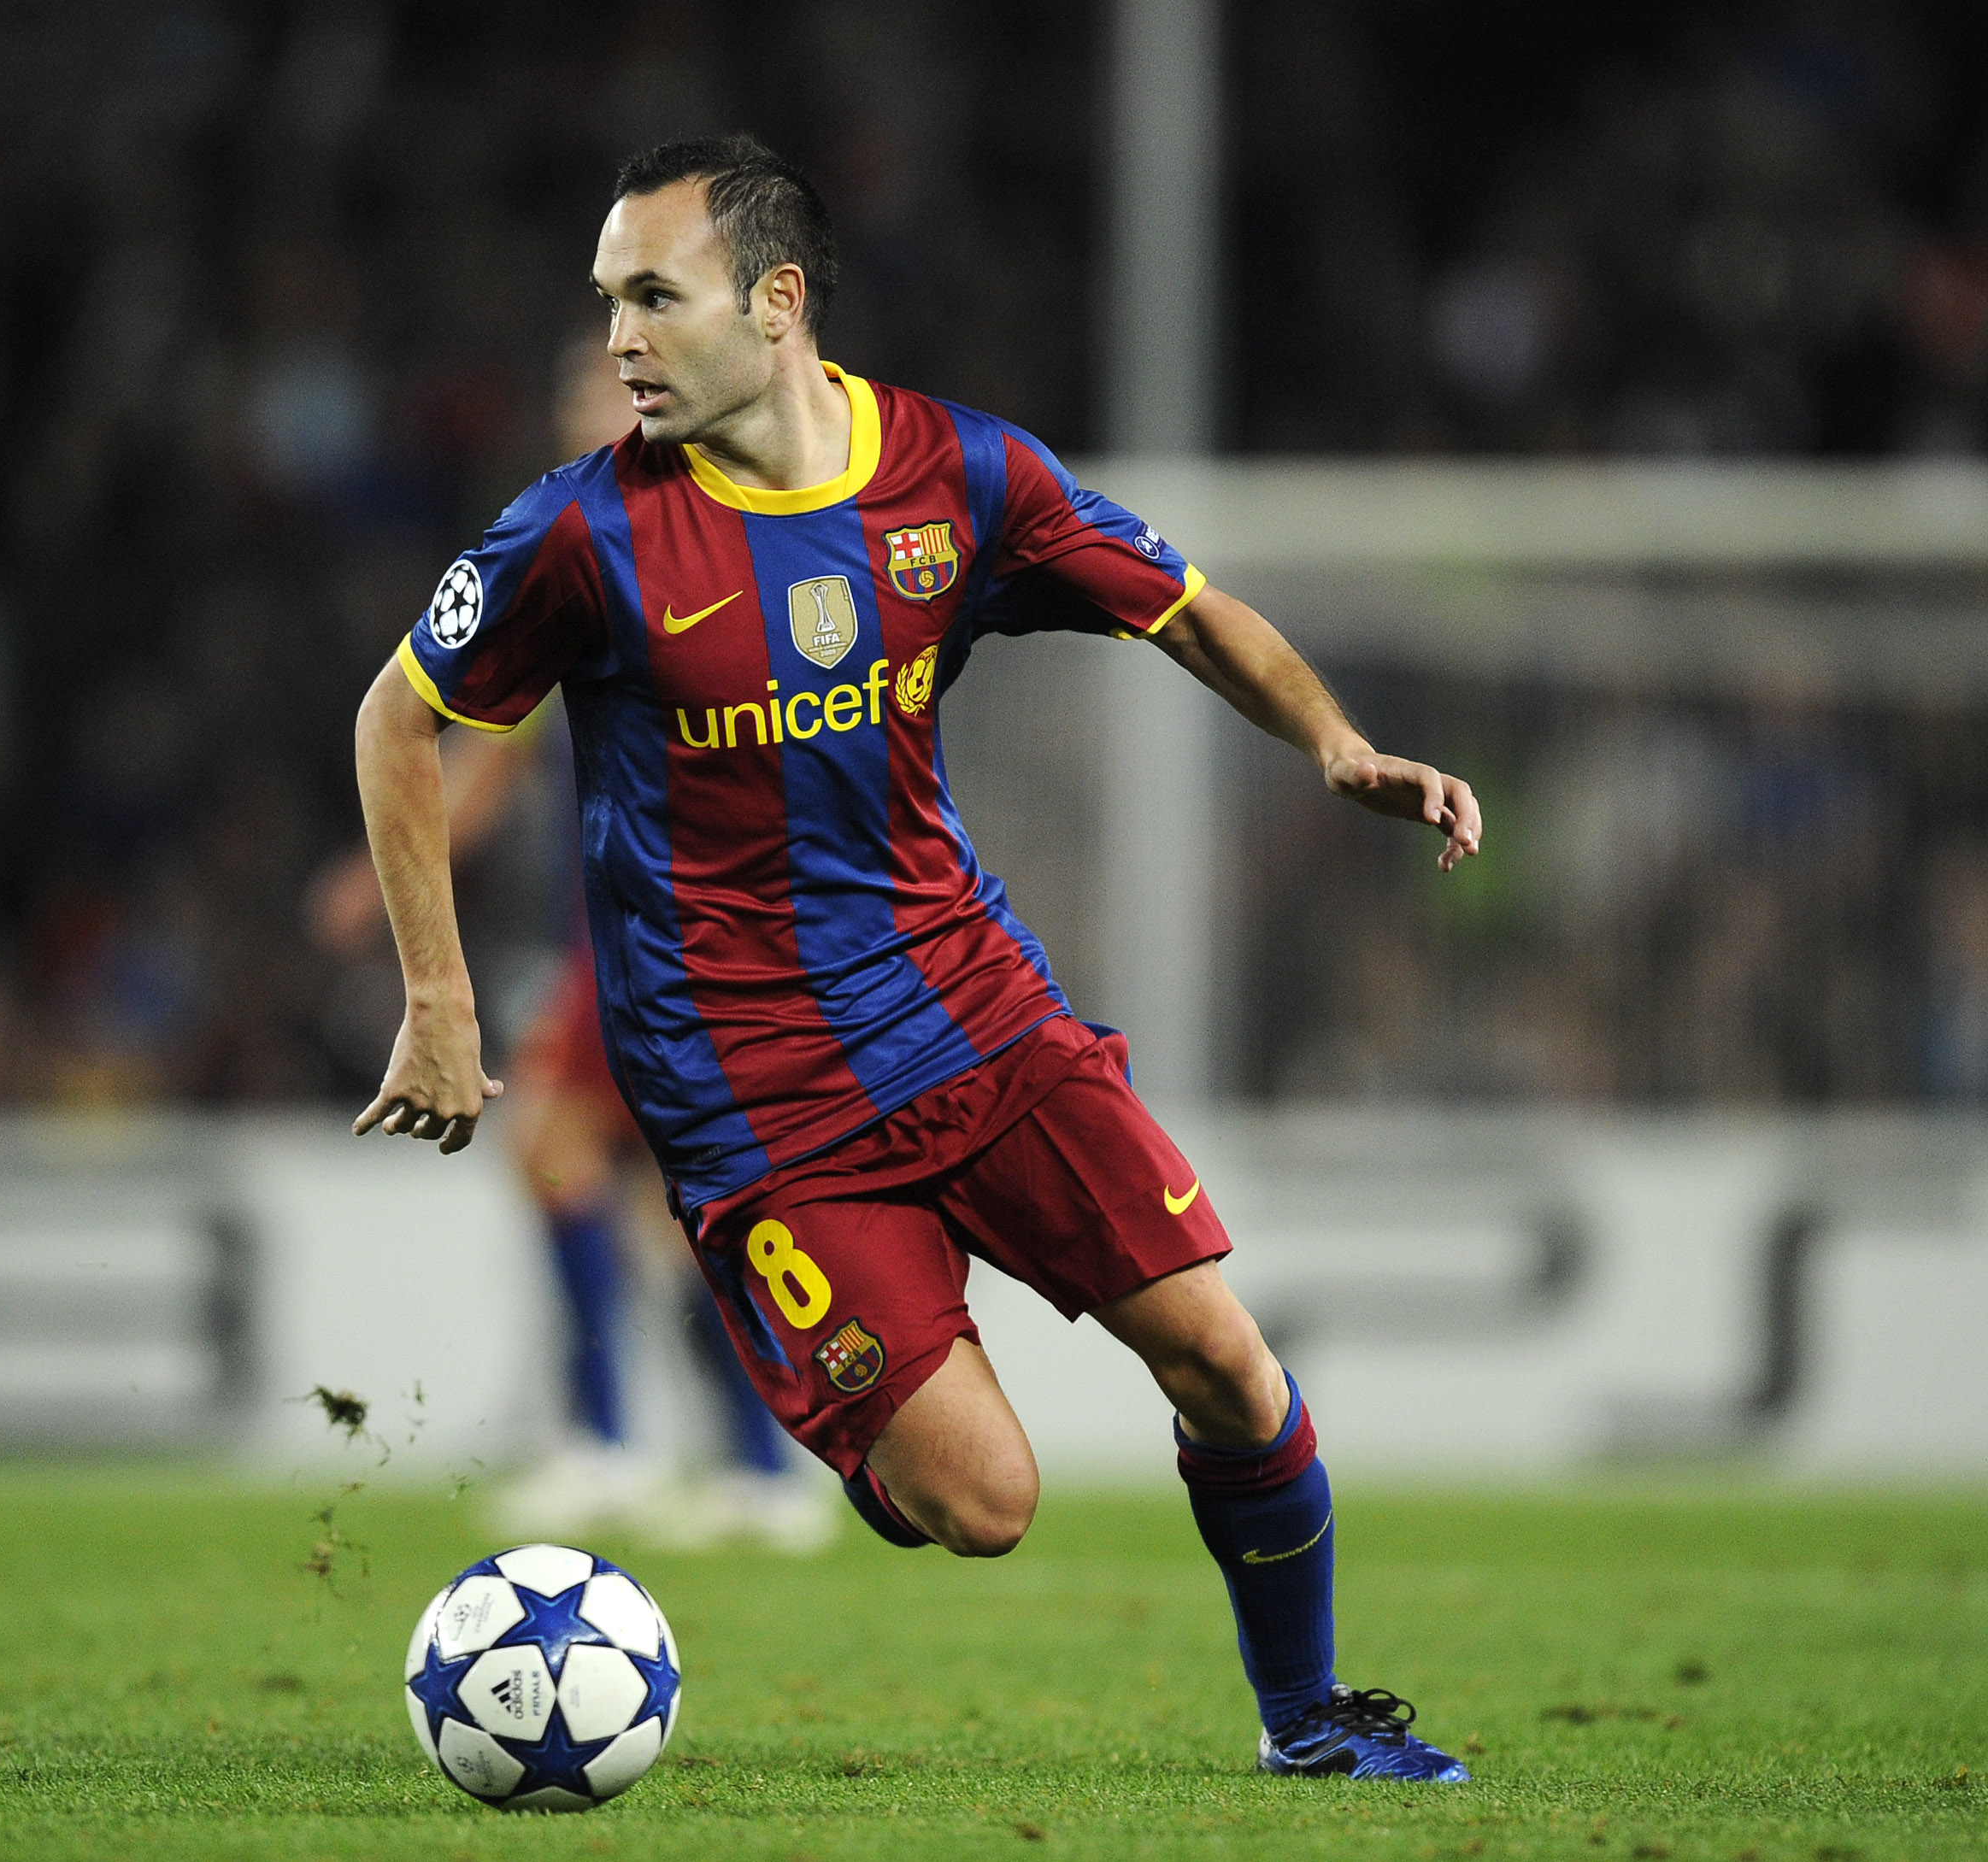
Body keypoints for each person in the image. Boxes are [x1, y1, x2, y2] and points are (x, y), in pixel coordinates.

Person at [350, 135, 1480, 1781]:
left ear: (777, 302)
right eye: (608, 302)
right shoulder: (579, 538)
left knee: (1228, 1366)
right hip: (755, 1090)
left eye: (654, 297)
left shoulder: (960, 477)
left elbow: (1186, 606)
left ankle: (1308, 1723)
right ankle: (836, 1359)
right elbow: (398, 715)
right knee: (985, 1507)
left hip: (971, 1008)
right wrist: (438, 1004)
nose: (620, 341)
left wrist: (1333, 741)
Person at [310, 337, 834, 1553]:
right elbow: (505, 748)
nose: (582, 407)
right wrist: (380, 870)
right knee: (669, 1201)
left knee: (557, 1150)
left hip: (669, 925)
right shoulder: (607, 541)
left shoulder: (662, 542)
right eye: (573, 390)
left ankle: (617, 1446)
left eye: (602, 387)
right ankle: (757, 1465)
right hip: (642, 925)